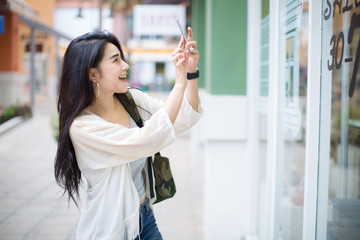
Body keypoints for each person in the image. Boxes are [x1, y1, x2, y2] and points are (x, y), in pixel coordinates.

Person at [54, 28, 202, 240]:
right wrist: (179, 83)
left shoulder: (131, 100)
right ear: (93, 73)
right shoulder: (82, 127)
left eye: (122, 58)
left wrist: (190, 72)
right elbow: (146, 140)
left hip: (145, 218)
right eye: (115, 60)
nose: (125, 65)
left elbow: (182, 117)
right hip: (111, 229)